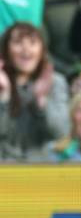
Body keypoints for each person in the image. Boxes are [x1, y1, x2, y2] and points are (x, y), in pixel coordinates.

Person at [0, 22, 70, 160]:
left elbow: (61, 132)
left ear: (42, 50)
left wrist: (41, 102)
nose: (26, 49)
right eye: (18, 43)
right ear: (6, 50)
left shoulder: (55, 82)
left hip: (39, 169)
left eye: (32, 42)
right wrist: (4, 97)